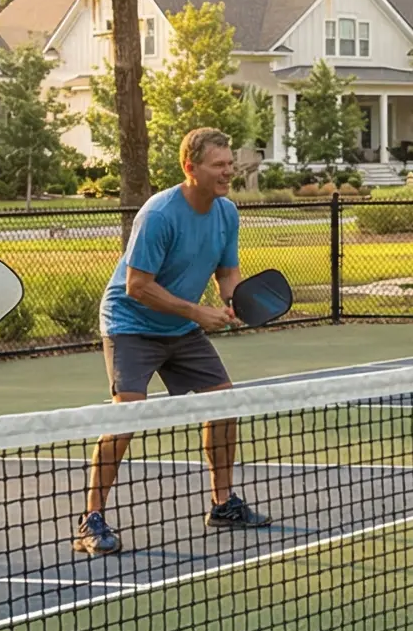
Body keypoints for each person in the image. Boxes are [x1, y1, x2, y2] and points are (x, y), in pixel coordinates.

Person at [73, 127, 271, 555]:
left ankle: (223, 504)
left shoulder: (226, 213)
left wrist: (234, 302)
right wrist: (199, 312)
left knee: (224, 403)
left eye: (229, 164)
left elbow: (227, 274)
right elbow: (137, 286)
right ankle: (90, 520)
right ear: (190, 168)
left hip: (179, 327)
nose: (228, 172)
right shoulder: (160, 214)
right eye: (218, 165)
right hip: (130, 323)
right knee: (128, 416)